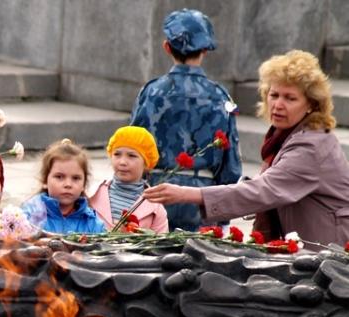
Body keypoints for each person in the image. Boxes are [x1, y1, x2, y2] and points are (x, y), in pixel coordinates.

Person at [144, 50, 349, 248]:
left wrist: (186, 194)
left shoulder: (312, 144)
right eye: (274, 94)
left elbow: (265, 190)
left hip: (329, 255)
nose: (278, 104)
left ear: (311, 105)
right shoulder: (284, 137)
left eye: (290, 98)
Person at [130, 8, 241, 231]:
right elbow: (231, 166)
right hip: (201, 198)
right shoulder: (220, 96)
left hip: (155, 193)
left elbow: (133, 145)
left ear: (166, 47)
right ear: (205, 51)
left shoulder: (151, 92)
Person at [90, 126, 168, 232]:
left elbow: (161, 245)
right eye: (117, 154)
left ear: (146, 163)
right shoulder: (92, 194)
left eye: (132, 156)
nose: (122, 162)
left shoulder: (155, 208)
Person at [21, 139, 105, 235]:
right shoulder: (29, 214)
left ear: (84, 184)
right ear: (45, 180)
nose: (68, 184)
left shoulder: (92, 222)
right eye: (59, 177)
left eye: (75, 178)